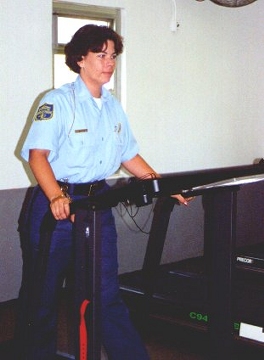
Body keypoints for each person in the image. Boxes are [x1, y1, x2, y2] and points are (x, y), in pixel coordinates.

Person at [15, 24, 191, 360]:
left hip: (97, 205)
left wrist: (163, 185)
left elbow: (129, 155)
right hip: (55, 205)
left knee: (105, 293)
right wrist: (55, 196)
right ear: (80, 59)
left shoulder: (112, 107)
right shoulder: (57, 101)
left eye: (112, 56)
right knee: (42, 297)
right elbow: (38, 156)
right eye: (101, 55)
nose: (109, 62)